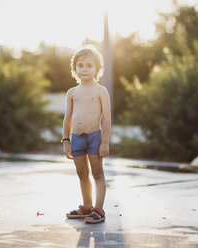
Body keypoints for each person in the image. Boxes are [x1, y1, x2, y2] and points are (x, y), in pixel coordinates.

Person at [62, 45, 111, 224]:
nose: (84, 69)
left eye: (89, 65)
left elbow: (107, 118)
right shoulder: (72, 93)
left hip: (94, 137)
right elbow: (67, 118)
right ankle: (87, 206)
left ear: (97, 68)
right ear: (75, 68)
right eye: (80, 65)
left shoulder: (101, 91)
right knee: (82, 173)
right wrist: (66, 141)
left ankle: (99, 209)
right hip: (76, 138)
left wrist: (105, 142)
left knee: (97, 173)